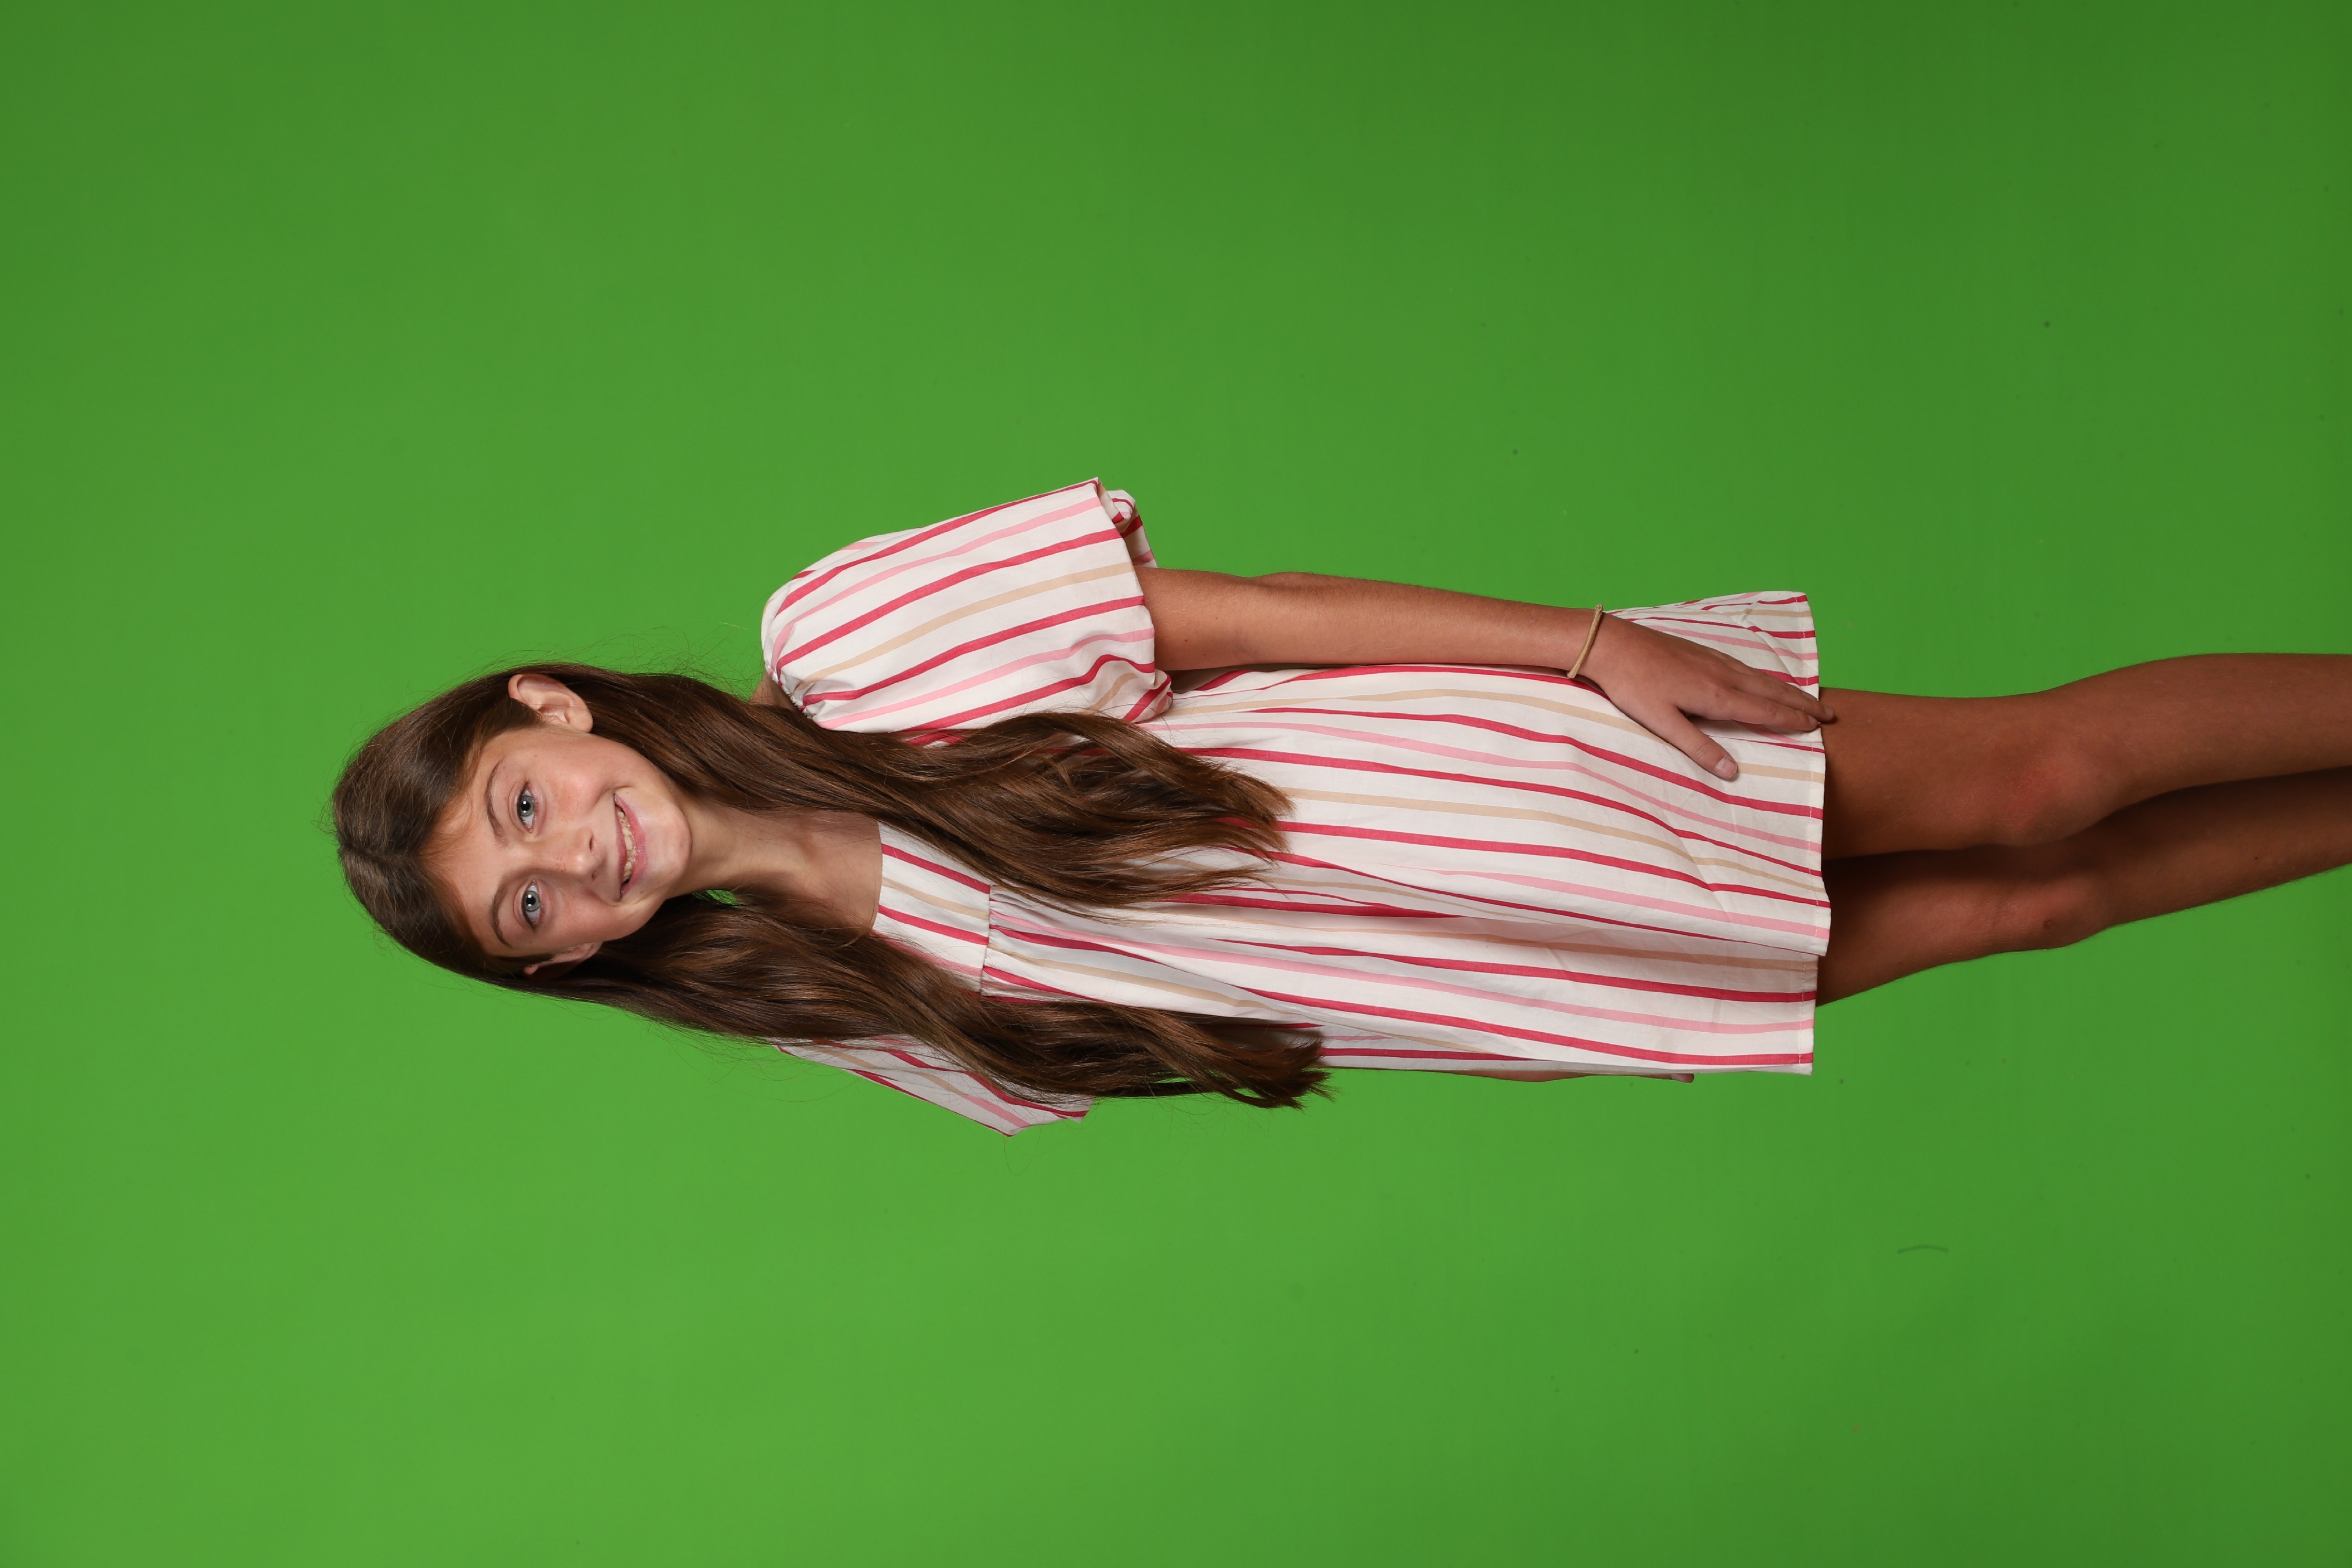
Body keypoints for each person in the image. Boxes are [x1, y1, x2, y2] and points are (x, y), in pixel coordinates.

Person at [332, 480, 2352, 1134]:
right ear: (569, 960)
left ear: (553, 706)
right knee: (2041, 906)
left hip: (1507, 772)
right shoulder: (848, 1016)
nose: (571, 855)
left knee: (2037, 781)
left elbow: (1252, 613)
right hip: (1513, 964)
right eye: (530, 904)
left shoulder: (848, 642)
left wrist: (1588, 646)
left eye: (525, 802)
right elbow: (1197, 1024)